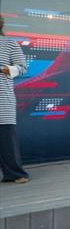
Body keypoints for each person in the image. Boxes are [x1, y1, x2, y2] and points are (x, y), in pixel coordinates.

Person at [0, 15, 29, 184]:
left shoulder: (9, 43)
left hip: (2, 98)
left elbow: (22, 67)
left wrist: (3, 70)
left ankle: (15, 174)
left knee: (6, 138)